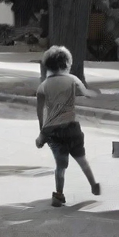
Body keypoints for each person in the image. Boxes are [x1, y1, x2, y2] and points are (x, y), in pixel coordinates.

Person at [35, 45, 100, 207]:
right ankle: (93, 184)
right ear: (66, 63)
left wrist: (42, 133)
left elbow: (40, 112)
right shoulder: (73, 80)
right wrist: (93, 94)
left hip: (53, 131)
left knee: (60, 166)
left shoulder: (42, 86)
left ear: (48, 65)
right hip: (72, 128)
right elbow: (86, 93)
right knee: (82, 159)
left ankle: (58, 194)